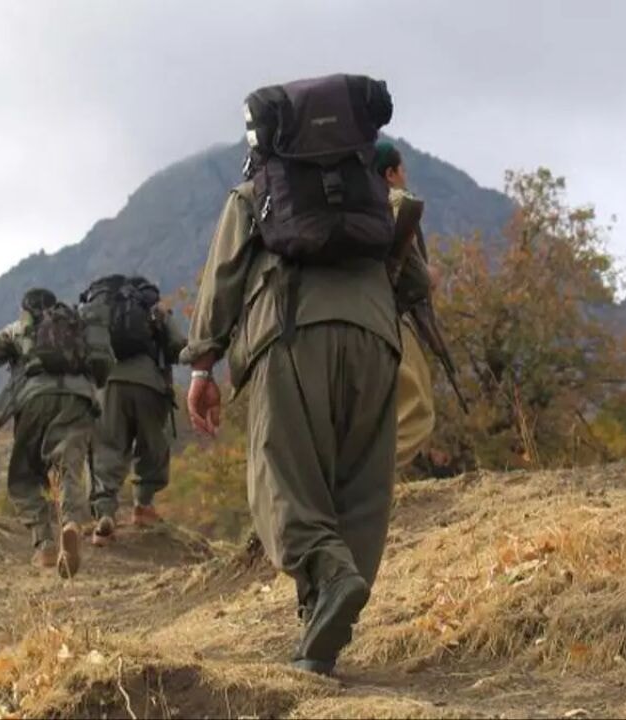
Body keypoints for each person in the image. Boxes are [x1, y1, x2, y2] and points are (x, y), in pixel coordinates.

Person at [182, 73, 418, 676]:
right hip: (376, 339)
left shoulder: (257, 191)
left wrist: (203, 364)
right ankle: (322, 632)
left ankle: (328, 577)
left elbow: (222, 280)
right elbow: (418, 282)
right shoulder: (374, 189)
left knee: (281, 477)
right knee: (359, 486)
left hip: (290, 335)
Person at [0, 288, 109, 579]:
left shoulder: (17, 329)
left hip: (35, 399)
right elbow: (103, 364)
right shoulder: (77, 326)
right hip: (78, 399)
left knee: (23, 478)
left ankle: (45, 543)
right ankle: (71, 522)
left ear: (25, 309)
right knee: (69, 467)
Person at [81, 274, 187, 545]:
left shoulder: (103, 311)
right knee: (152, 445)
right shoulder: (153, 307)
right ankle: (144, 506)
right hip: (149, 384)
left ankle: (105, 514)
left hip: (108, 385)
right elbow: (178, 345)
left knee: (107, 447)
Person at [375, 141, 437, 471]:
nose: (405, 177)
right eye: (402, 170)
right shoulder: (395, 203)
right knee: (417, 411)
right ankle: (368, 483)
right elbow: (414, 278)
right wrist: (427, 275)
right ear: (390, 173)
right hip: (384, 318)